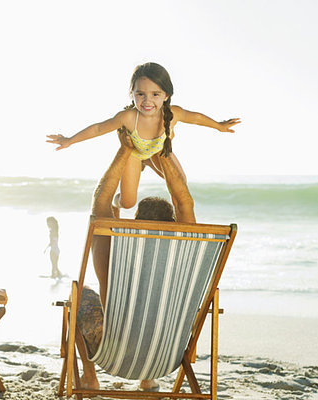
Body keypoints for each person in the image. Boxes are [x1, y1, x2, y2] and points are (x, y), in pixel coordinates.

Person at [75, 130, 197, 391]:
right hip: (166, 356)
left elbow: (100, 201)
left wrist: (125, 150)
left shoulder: (117, 251)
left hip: (115, 355)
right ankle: (148, 379)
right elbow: (184, 199)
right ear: (174, 223)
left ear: (135, 222)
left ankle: (90, 378)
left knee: (80, 293)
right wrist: (161, 145)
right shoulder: (186, 250)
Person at [47, 62, 240, 210]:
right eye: (141, 94)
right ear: (132, 94)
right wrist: (69, 140)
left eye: (155, 94)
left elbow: (196, 118)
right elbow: (98, 129)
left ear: (166, 95)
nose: (147, 101)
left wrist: (219, 126)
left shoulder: (173, 114)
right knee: (128, 203)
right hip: (135, 155)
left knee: (181, 184)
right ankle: (116, 203)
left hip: (157, 152)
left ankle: (149, 164)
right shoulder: (129, 117)